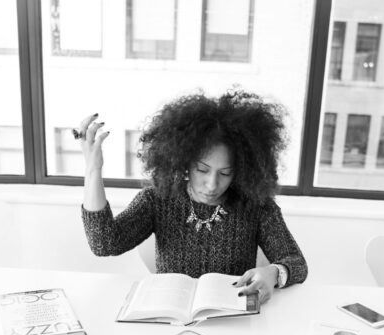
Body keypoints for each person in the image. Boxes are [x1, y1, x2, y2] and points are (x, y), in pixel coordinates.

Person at [78, 89, 307, 304]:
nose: (212, 184)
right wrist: (93, 170)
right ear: (184, 161)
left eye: (225, 173)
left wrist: (274, 272)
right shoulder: (158, 199)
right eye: (202, 170)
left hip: (232, 319)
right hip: (171, 318)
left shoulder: (256, 206)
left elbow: (296, 263)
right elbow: (104, 243)